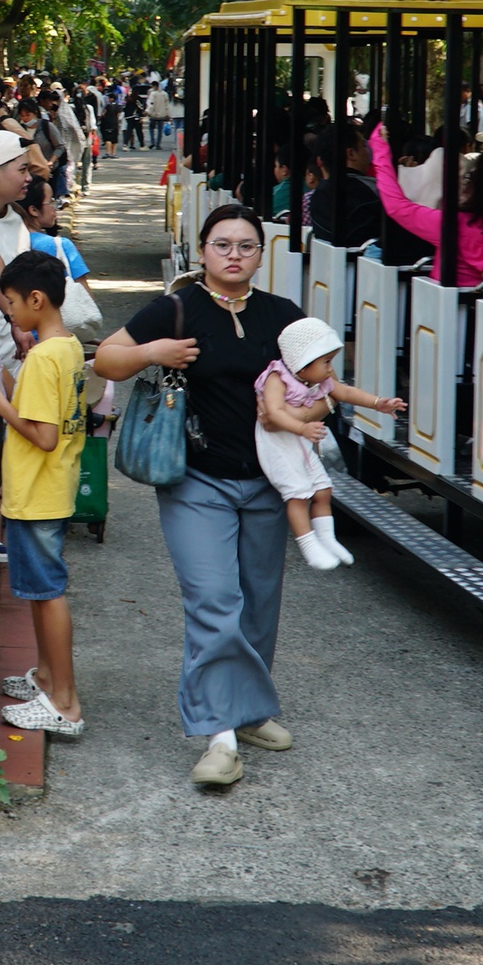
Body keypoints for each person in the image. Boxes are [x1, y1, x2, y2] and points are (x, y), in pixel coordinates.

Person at [94, 205, 307, 789]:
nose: (234, 255)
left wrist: (308, 411)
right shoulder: (177, 308)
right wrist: (153, 352)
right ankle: (220, 738)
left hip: (267, 481)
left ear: (261, 254)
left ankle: (250, 712)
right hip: (196, 479)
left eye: (246, 245)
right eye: (222, 244)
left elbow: (319, 383)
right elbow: (107, 357)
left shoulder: (284, 316)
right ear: (203, 250)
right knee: (214, 599)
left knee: (259, 603)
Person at [0, 249, 89, 738]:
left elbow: (43, 435)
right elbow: (40, 408)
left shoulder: (42, 358)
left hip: (38, 493)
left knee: (47, 594)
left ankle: (65, 703)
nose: (9, 312)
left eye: (12, 303)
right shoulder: (66, 347)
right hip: (51, 488)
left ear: (36, 300)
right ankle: (47, 679)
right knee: (40, 593)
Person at [255, 316, 400, 569]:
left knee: (323, 489)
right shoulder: (277, 378)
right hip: (278, 444)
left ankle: (327, 538)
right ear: (302, 362)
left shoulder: (318, 378)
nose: (330, 368)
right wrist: (303, 427)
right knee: (298, 495)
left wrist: (378, 403)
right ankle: (309, 546)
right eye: (326, 362)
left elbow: (345, 392)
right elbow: (274, 413)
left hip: (301, 439)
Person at [370, 122, 483, 285]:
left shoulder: (455, 224)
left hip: (445, 299)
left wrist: (380, 149)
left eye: (469, 177)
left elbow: (396, 206)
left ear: (477, 186)